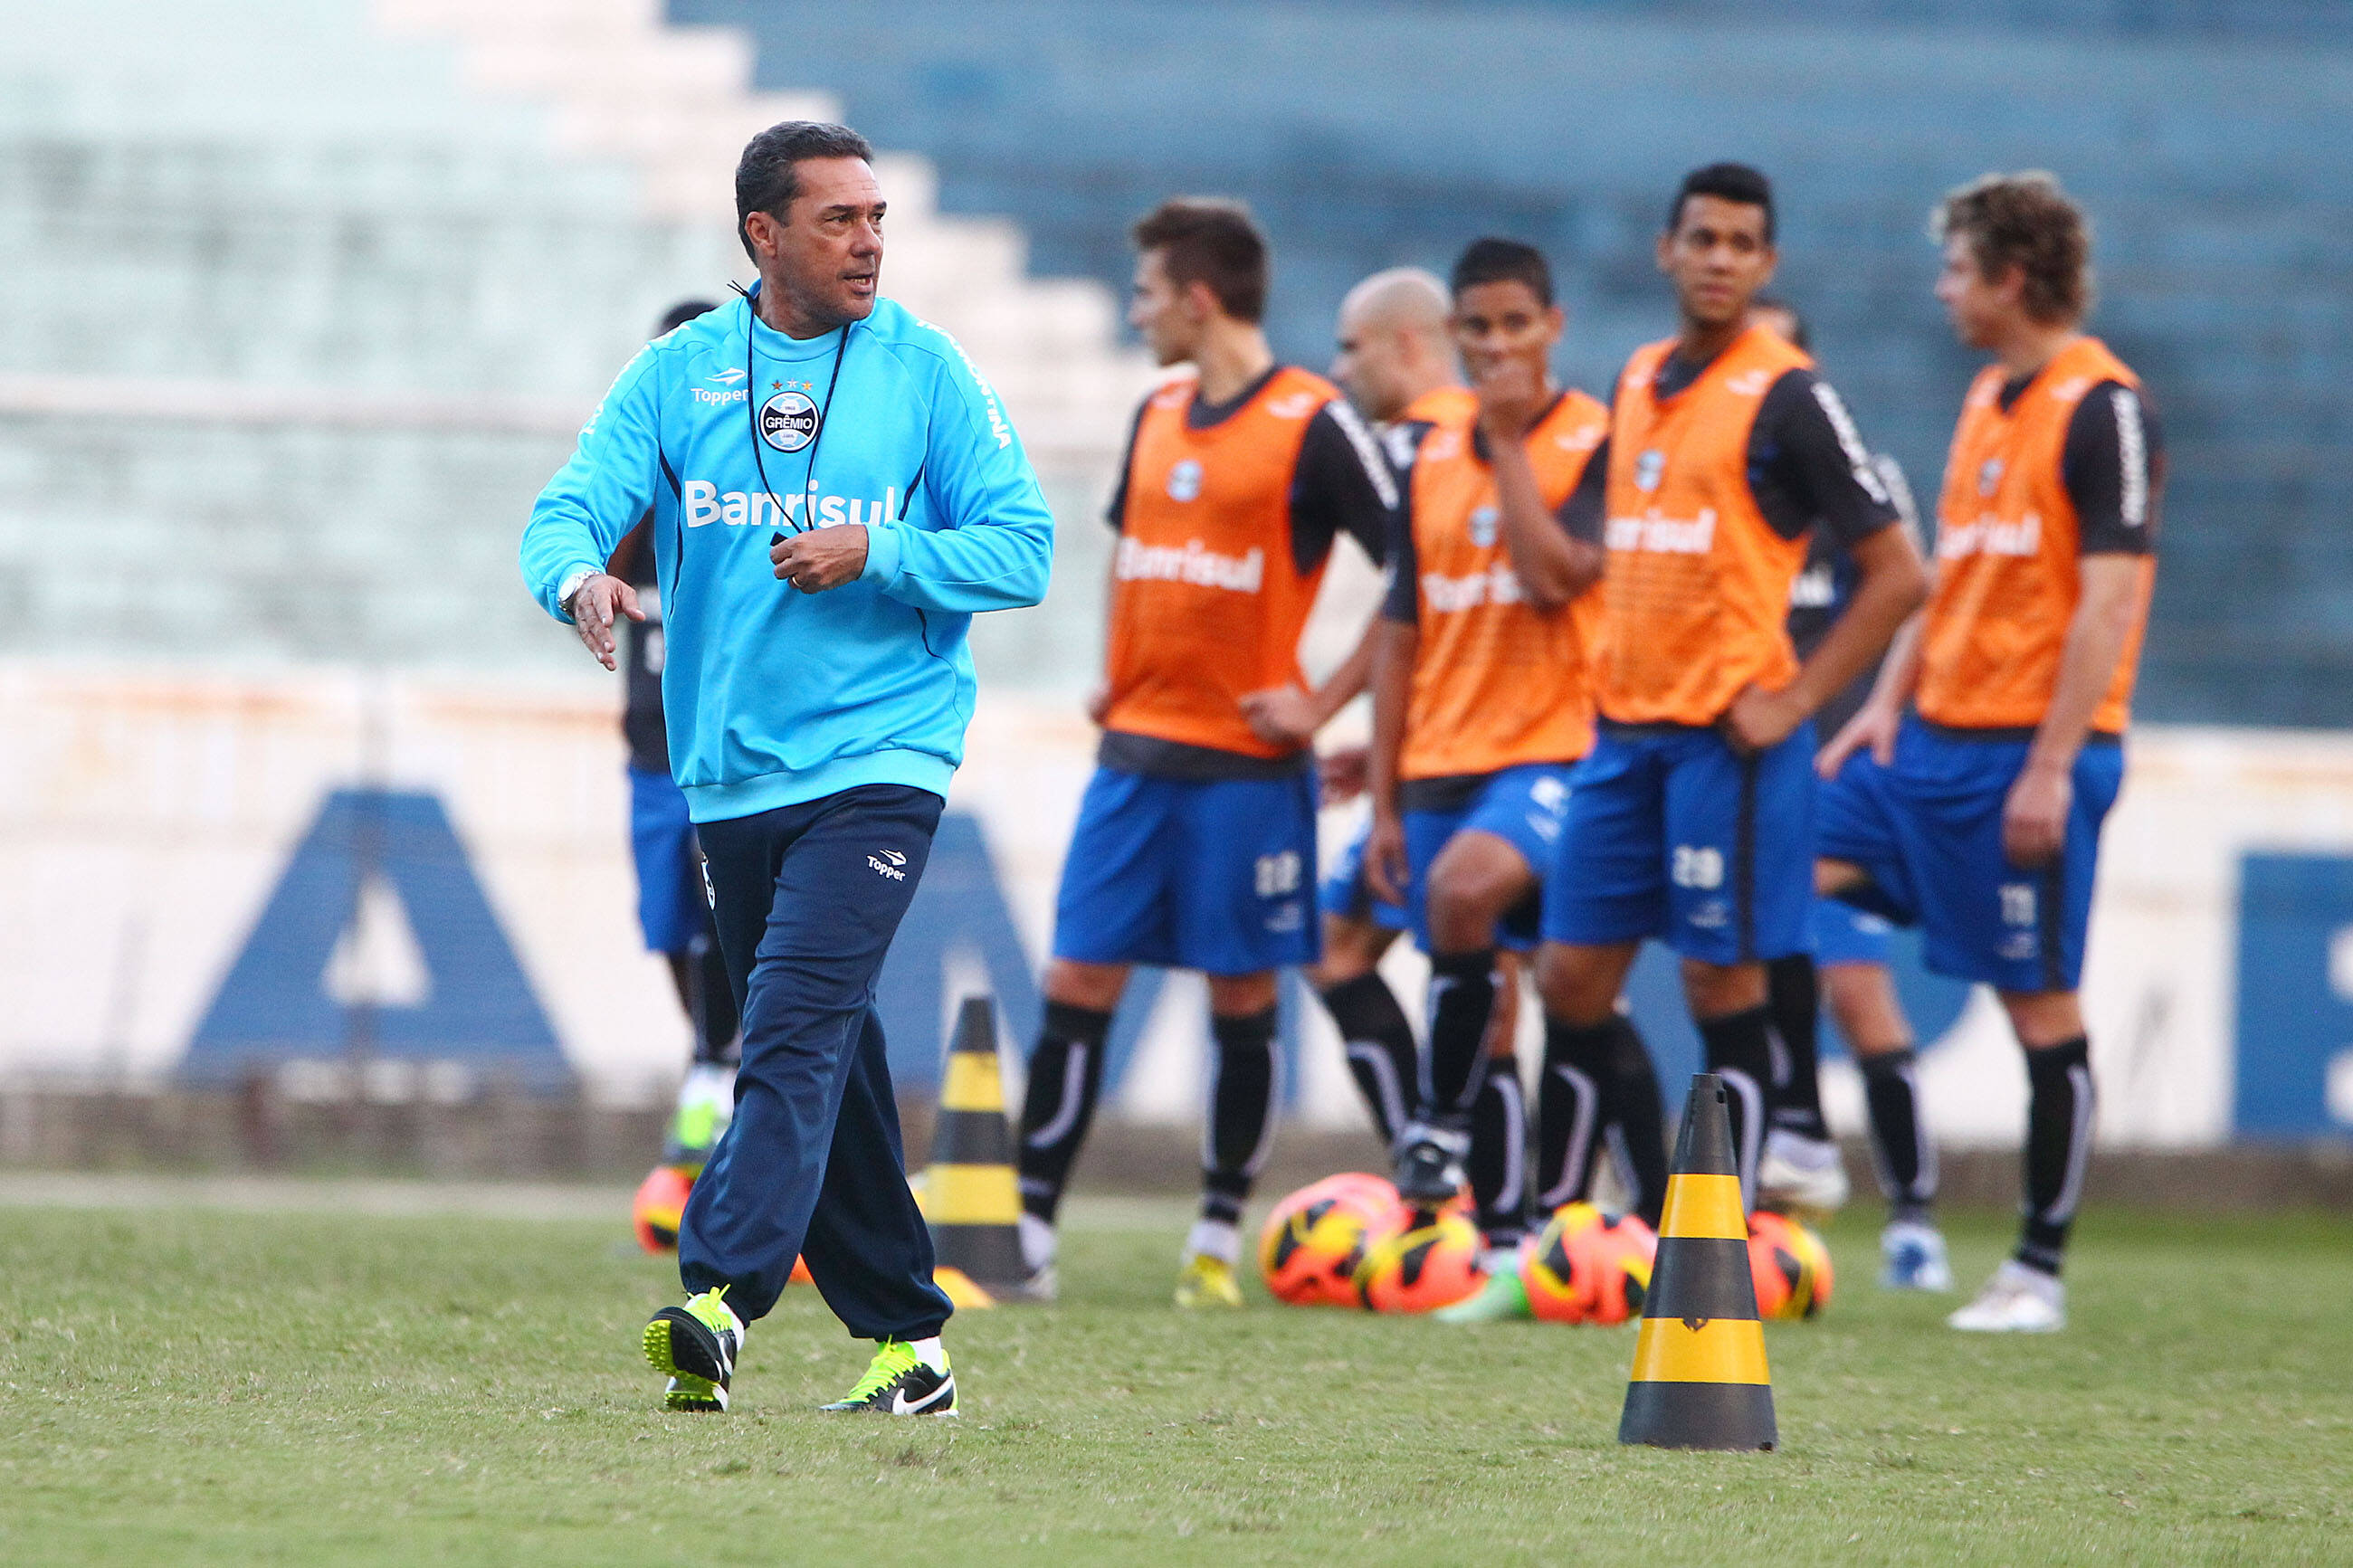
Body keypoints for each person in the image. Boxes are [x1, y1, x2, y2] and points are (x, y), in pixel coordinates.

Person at [520, 120, 1054, 1415]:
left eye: (878, 218)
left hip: (883, 757)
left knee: (794, 1025)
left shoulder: (926, 371)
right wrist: (580, 580)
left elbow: (1023, 548)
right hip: (730, 776)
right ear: (763, 236)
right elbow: (567, 506)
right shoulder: (679, 371)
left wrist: (879, 551)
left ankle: (720, 1295)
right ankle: (912, 1346)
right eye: (840, 220)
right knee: (836, 1049)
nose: (870, 241)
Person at [1014, 198, 1399, 1308]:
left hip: (1245, 770)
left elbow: (1412, 573)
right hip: (1133, 758)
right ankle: (1030, 1229)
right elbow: (1130, 555)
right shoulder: (1155, 414)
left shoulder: (1313, 422)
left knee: (1239, 997)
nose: (1135, 315)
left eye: (1144, 294)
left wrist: (1324, 699)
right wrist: (1114, 665)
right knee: (1079, 975)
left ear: (1196, 297)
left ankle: (1216, 1235)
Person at [1538, 163, 1929, 1210]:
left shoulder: (1788, 392)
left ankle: (1727, 1233)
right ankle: (1556, 1215)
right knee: (1569, 978)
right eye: (1701, 238)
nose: (1718, 259)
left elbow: (1898, 575)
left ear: (1765, 264)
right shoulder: (1634, 378)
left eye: (1739, 244)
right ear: (1666, 250)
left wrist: (1796, 700)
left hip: (1728, 741)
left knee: (1722, 981)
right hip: (1621, 736)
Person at [1817, 171, 2164, 1332]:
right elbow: (1951, 572)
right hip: (1921, 746)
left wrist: (2054, 763)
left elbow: (2105, 606)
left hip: (2023, 758)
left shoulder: (2099, 407)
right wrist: (1881, 701)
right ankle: (1789, 1150)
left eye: (1956, 268)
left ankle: (2035, 1269)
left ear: (2010, 278)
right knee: (1767, 855)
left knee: (2036, 1008)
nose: (1942, 289)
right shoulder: (1984, 397)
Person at [1361, 238, 1662, 1298]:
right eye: (1475, 328)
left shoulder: (1595, 439)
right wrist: (1386, 793)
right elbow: (1400, 624)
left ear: (1552, 327)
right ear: (1451, 334)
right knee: (1533, 1000)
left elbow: (1550, 576)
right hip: (1442, 755)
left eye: (1512, 325)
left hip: (1557, 754)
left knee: (1469, 901)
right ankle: (1516, 1231)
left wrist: (1503, 446)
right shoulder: (1424, 453)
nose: (1493, 345)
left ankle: (1436, 1126)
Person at [1745, 297, 1948, 1291]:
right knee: (1767, 949)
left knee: (1848, 984)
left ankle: (1896, 1204)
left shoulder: (1855, 480)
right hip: (1759, 767)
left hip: (1844, 767)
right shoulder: (1725, 481)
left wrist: (1878, 713)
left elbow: (1912, 588)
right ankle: (1801, 1156)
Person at [1311, 267, 1476, 1152]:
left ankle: (1497, 1196)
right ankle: (1440, 1160)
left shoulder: (1432, 443)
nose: (1340, 369)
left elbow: (1408, 610)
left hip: (1484, 757)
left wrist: (1319, 705)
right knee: (1337, 947)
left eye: (1351, 346)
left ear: (1407, 344)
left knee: (1499, 977)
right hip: (1434, 753)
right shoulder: (1460, 439)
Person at [608, 299, 745, 1200]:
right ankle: (715, 1063)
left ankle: (714, 1071)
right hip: (647, 756)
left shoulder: (745, 489)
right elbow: (601, 558)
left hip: (723, 759)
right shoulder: (639, 483)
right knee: (668, 925)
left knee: (724, 918)